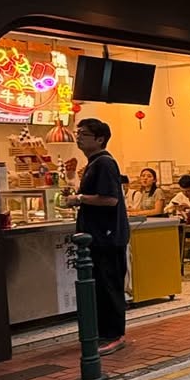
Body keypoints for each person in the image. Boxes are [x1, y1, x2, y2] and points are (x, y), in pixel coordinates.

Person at [65, 118, 129, 354]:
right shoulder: (94, 163)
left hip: (107, 238)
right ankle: (102, 333)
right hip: (97, 237)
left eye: (83, 134)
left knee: (109, 287)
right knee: (99, 288)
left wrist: (79, 199)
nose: (78, 137)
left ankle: (114, 335)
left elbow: (110, 199)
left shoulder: (104, 163)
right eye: (77, 133)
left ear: (100, 139)